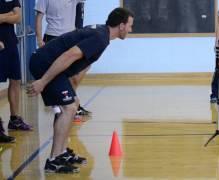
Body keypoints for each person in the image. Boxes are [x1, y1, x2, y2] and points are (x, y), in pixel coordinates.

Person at [28, 7, 134, 173]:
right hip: (44, 63)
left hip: (52, 65)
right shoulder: (100, 37)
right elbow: (68, 56)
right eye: (129, 25)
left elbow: (76, 62)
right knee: (69, 108)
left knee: (73, 104)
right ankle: (53, 161)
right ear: (121, 25)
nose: (130, 29)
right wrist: (43, 81)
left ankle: (61, 153)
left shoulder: (102, 34)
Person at [35, 0, 91, 116]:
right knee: (56, 75)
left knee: (77, 73)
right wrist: (39, 40)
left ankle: (71, 103)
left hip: (70, 38)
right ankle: (65, 105)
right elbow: (39, 18)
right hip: (52, 38)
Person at [0, 0, 33, 137]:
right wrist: (9, 15)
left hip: (11, 44)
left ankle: (14, 120)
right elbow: (13, 16)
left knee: (15, 81)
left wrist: (2, 17)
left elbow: (18, 18)